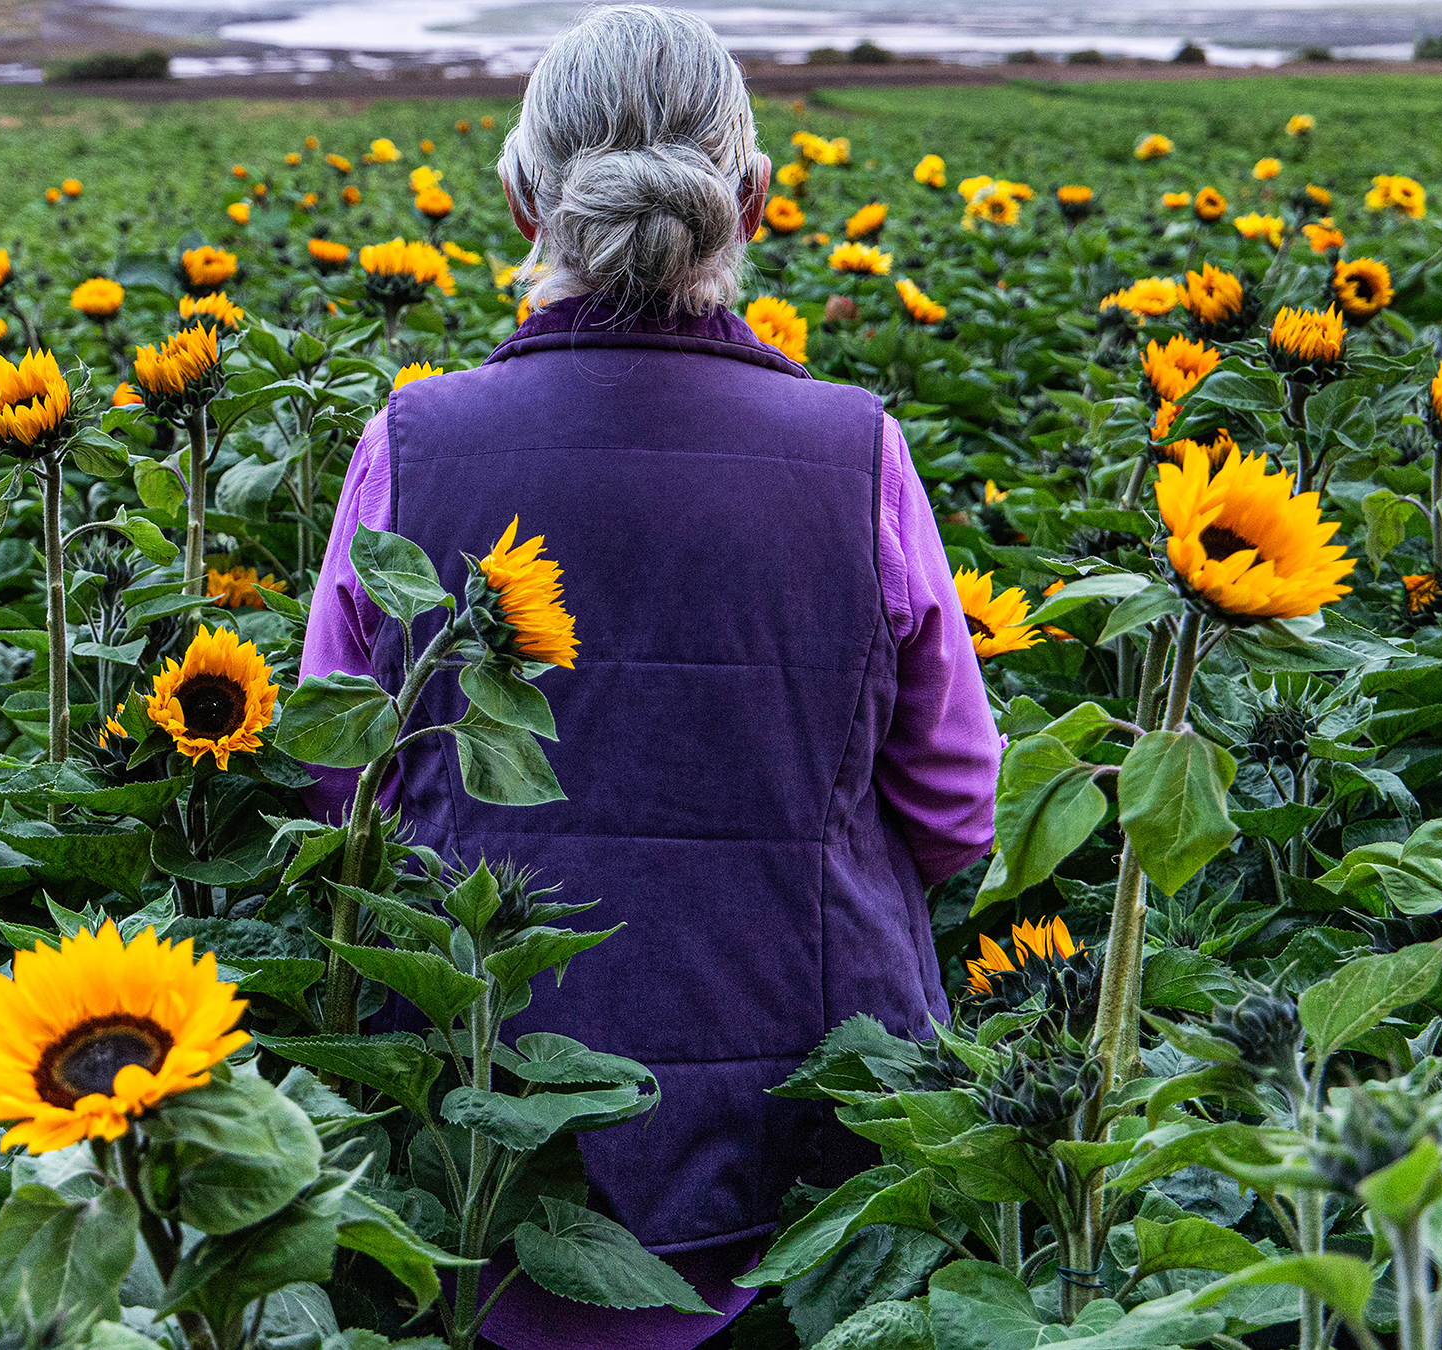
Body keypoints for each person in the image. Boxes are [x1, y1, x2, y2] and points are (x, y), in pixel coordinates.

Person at [298, 8, 1001, 1348]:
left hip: (476, 1151)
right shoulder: (858, 452)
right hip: (804, 1161)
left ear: (519, 201)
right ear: (754, 200)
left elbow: (341, 781)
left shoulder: (414, 442)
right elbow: (958, 809)